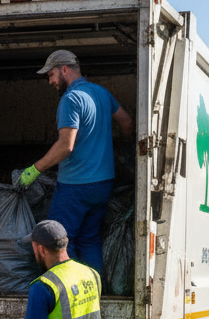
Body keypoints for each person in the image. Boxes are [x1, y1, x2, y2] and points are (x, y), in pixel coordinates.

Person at [17, 50, 134, 271]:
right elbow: (127, 123)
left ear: (64, 69)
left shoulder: (70, 99)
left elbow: (65, 145)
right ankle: (93, 294)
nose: (50, 81)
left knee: (60, 240)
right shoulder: (101, 93)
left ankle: (68, 296)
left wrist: (35, 169)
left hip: (76, 186)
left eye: (51, 74)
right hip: (103, 184)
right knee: (89, 238)